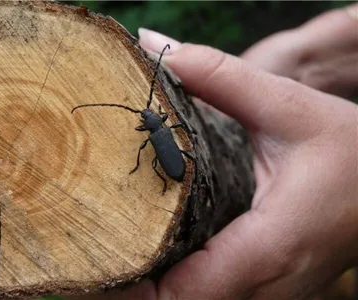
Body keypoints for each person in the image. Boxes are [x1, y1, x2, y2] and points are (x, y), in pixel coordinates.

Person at [87, 4, 358, 299]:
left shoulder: (155, 132)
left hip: (174, 164)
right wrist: (305, 56)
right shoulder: (164, 126)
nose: (145, 116)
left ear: (150, 121)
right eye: (145, 117)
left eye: (146, 116)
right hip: (177, 162)